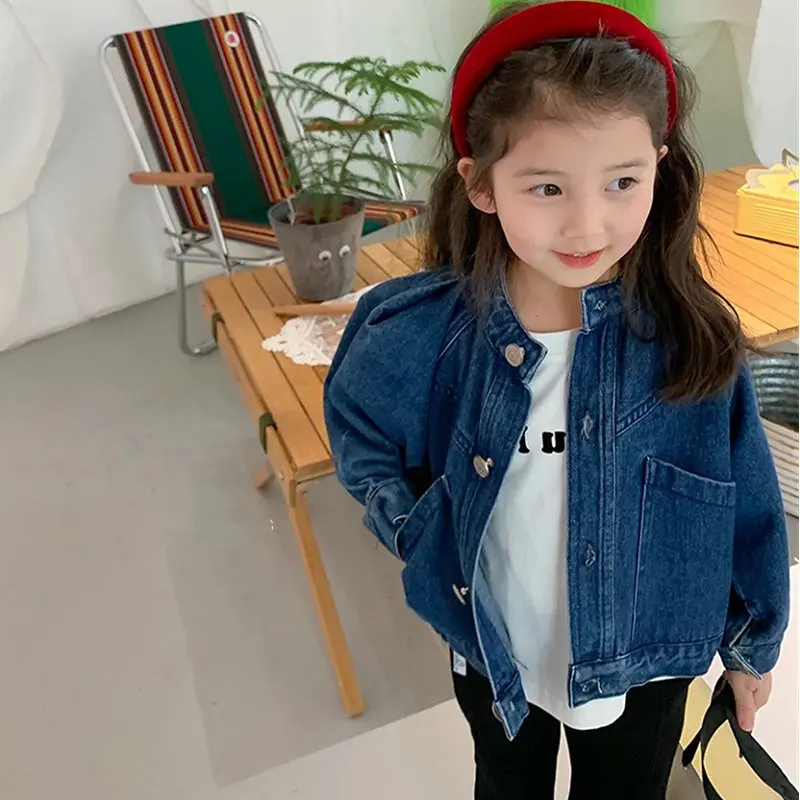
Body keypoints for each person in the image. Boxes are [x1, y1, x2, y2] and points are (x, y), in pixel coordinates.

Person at [323, 2, 791, 797]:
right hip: (495, 649)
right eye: (546, 186)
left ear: (659, 167)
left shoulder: (691, 339)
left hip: (647, 660)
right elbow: (360, 429)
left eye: (622, 182)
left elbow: (746, 502)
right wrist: (422, 531)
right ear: (481, 184)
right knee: (506, 784)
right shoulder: (424, 333)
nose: (587, 224)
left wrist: (751, 647)